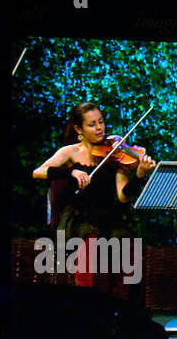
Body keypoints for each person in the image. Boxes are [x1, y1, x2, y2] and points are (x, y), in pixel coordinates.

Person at [32, 101, 156, 241]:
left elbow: (123, 196)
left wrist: (139, 176)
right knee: (91, 240)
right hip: (78, 220)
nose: (99, 128)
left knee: (127, 243)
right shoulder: (70, 152)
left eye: (101, 122)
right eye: (92, 125)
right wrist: (71, 172)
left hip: (107, 220)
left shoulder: (115, 153)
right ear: (79, 129)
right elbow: (38, 172)